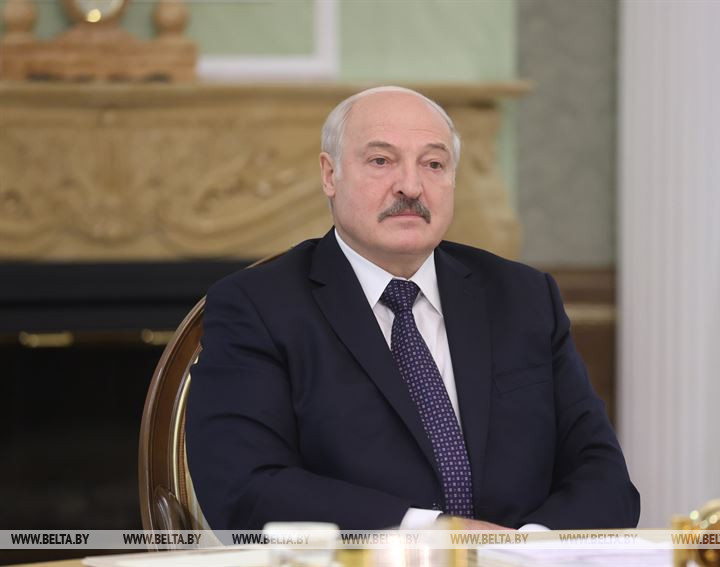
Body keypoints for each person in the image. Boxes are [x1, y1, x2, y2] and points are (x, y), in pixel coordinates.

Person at [185, 86, 640, 531]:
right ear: (329, 174)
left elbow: (603, 476)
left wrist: (528, 550)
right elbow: (245, 488)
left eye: (433, 164)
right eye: (381, 161)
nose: (410, 186)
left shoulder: (523, 296)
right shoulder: (258, 307)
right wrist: (430, 534)